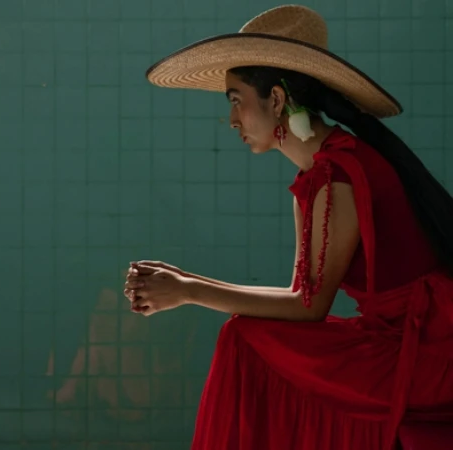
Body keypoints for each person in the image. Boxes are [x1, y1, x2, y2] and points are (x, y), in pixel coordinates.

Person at [123, 5, 453, 450]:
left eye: (236, 101)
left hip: (427, 359)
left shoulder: (338, 175)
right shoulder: (321, 173)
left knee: (244, 339)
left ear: (276, 100)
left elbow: (308, 308)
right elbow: (301, 299)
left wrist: (186, 292)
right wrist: (183, 281)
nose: (233, 120)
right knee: (246, 334)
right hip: (399, 345)